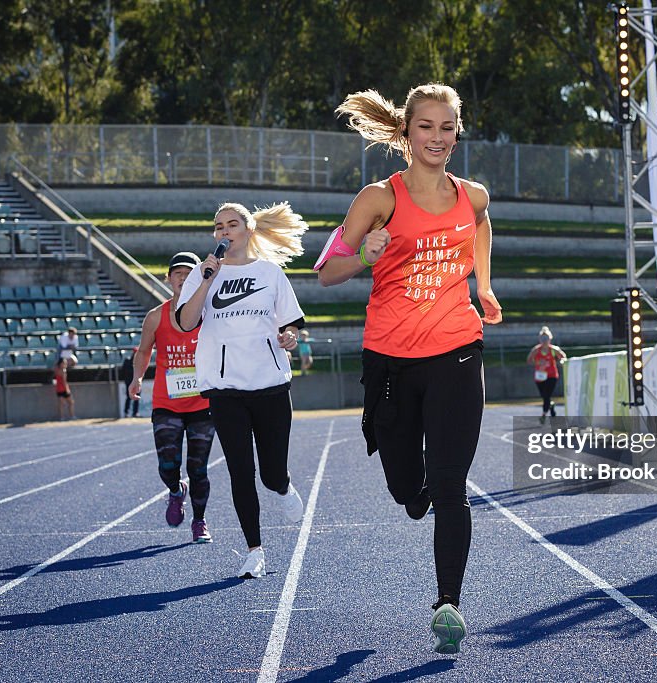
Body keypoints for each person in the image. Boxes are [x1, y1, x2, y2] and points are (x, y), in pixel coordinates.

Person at [319, 83, 502, 654]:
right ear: (406, 132)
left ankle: (448, 603)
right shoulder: (378, 198)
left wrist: (485, 287)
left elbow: (481, 225)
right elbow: (327, 273)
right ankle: (412, 488)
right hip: (392, 361)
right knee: (406, 486)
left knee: (451, 487)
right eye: (427, 126)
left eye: (448, 127)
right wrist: (364, 257)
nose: (439, 138)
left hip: (456, 353)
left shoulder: (471, 196)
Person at [177, 202, 308, 577]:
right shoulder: (202, 275)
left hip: (269, 384)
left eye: (232, 224)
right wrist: (205, 280)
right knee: (240, 470)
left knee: (270, 471)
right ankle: (254, 550)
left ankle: (282, 487)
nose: (224, 231)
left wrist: (290, 337)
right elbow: (187, 322)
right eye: (218, 226)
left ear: (248, 230)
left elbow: (292, 325)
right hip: (224, 388)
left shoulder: (270, 273)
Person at [130, 252, 217, 544]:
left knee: (199, 467)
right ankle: (176, 490)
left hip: (203, 403)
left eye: (187, 273)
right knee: (168, 465)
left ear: (197, 277)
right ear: (168, 279)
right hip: (167, 402)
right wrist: (137, 377)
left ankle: (200, 520)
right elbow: (143, 351)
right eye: (176, 273)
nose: (182, 277)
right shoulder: (156, 316)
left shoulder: (210, 314)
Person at [527, 326, 567, 424]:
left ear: (550, 339)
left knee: (546, 395)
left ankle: (543, 415)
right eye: (543, 339)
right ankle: (551, 405)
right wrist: (538, 363)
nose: (545, 341)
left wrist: (560, 360)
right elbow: (529, 360)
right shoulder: (536, 350)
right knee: (544, 396)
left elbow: (563, 356)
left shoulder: (554, 349)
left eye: (546, 338)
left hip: (552, 375)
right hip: (540, 377)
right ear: (540, 339)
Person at [120, 348, 140, 417]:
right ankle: (126, 412)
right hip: (129, 382)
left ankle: (135, 412)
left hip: (137, 382)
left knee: (137, 397)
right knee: (128, 397)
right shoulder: (127, 361)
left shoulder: (139, 361)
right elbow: (123, 371)